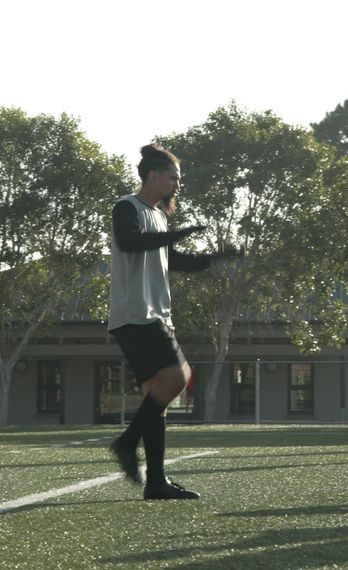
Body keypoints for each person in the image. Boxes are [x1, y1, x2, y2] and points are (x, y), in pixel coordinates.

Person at [107, 144, 241, 500]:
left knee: (157, 393)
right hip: (138, 313)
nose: (177, 185)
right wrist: (175, 235)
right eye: (173, 178)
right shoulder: (127, 207)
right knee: (179, 378)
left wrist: (215, 257)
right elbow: (130, 241)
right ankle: (126, 442)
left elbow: (173, 260)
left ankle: (156, 482)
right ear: (153, 175)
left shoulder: (160, 217)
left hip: (151, 314)